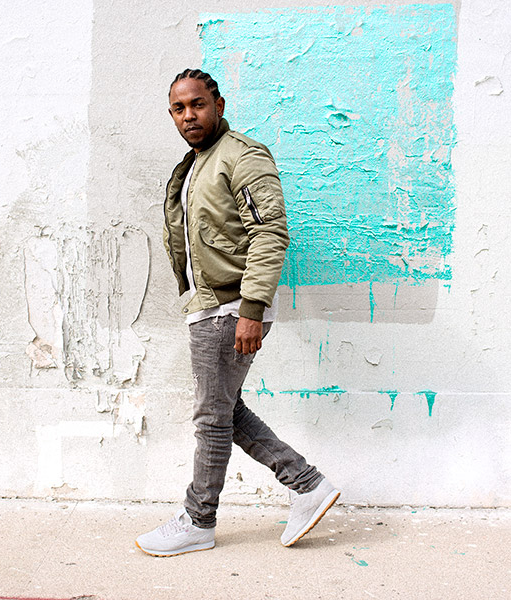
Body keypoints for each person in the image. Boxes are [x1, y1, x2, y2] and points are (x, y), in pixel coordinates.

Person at [135, 69, 340, 557]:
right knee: (226, 410)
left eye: (198, 104)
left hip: (231, 307)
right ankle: (306, 484)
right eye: (179, 109)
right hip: (210, 306)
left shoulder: (242, 156)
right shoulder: (195, 164)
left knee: (212, 418)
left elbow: (269, 233)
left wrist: (251, 308)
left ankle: (198, 520)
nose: (189, 115)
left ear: (219, 105)